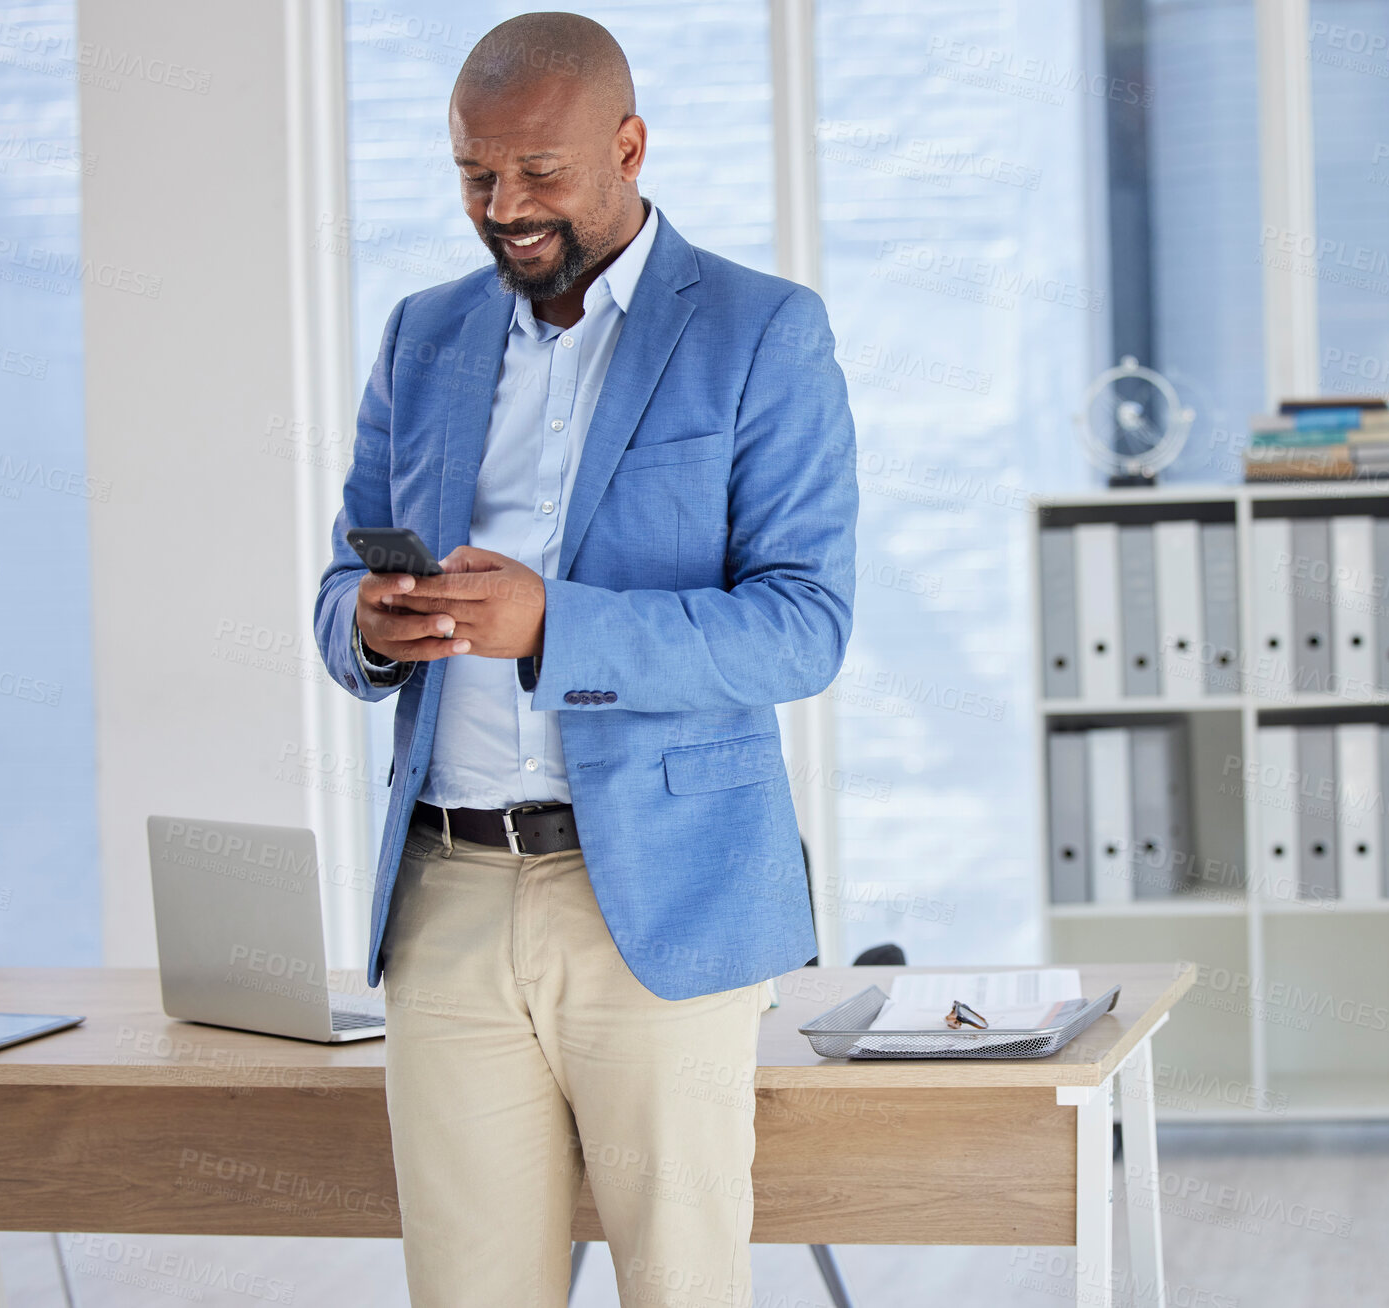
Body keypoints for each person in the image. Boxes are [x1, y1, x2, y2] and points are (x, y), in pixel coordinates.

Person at [313, 11, 858, 1306]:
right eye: (474, 175)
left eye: (540, 173)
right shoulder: (423, 333)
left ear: (627, 144)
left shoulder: (758, 331)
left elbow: (803, 625)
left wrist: (556, 625)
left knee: (679, 1283)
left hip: (658, 906)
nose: (505, 206)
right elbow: (345, 576)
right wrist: (366, 626)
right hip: (446, 893)